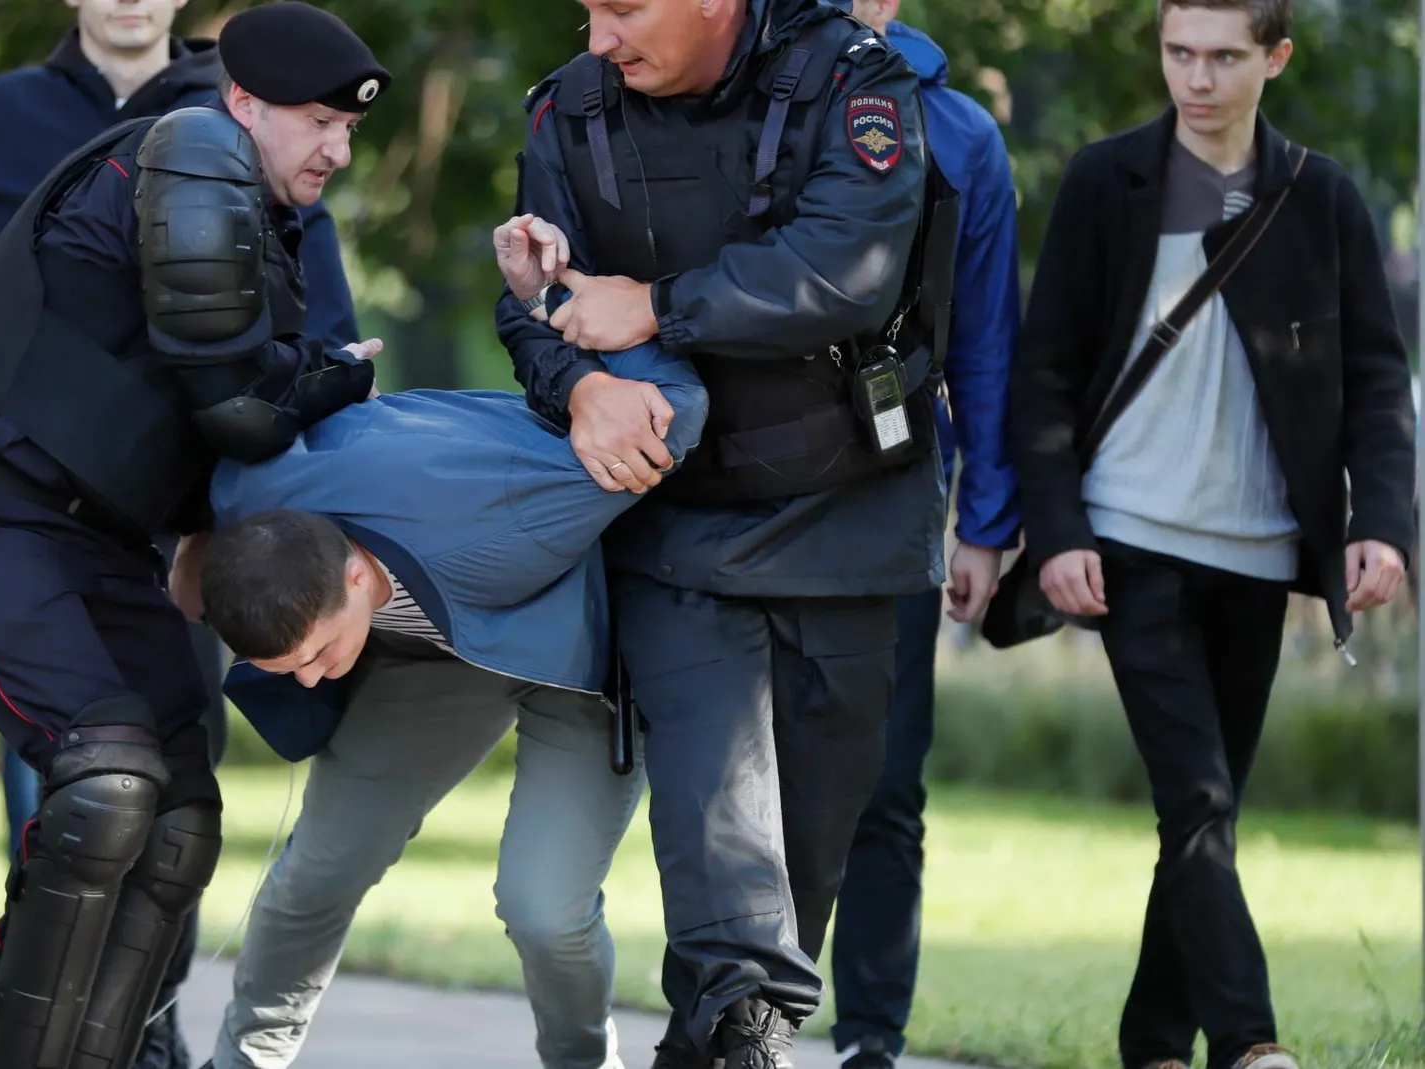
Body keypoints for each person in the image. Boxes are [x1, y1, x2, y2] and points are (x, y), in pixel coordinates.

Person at [0, 5, 388, 1067]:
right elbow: (245, 406)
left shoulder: (265, 209)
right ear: (245, 99)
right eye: (318, 124)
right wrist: (330, 374)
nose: (337, 151)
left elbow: (267, 394)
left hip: (102, 537)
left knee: (179, 812)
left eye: (349, 131)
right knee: (108, 773)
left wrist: (314, 377)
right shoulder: (196, 144)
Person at [501, 0, 957, 1064]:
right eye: (587, 10)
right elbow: (531, 309)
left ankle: (717, 1034)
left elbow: (847, 267)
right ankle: (741, 1023)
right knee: (717, 818)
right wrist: (575, 388)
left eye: (621, 9)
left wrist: (657, 305)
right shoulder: (568, 108)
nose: (598, 37)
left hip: (847, 511)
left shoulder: (854, 81)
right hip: (676, 526)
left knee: (805, 856)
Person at [1011, 3, 1415, 1069]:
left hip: (1255, 554)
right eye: (1177, 52)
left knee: (1205, 815)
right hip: (1127, 540)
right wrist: (1054, 529)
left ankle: (1151, 1044)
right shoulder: (1106, 182)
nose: (1195, 78)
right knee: (1193, 796)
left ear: (1274, 58)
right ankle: (1248, 1042)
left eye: (1223, 57)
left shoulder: (1318, 197)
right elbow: (1043, 367)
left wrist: (1379, 524)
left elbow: (1377, 381)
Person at [191, 230, 705, 1069]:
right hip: (438, 649)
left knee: (542, 908)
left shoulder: (507, 519)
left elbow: (678, 415)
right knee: (314, 873)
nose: (318, 679)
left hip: (578, 652)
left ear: (356, 576)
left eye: (318, 654)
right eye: (295, 672)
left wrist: (599, 343)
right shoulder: (250, 495)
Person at [822, 3, 1021, 1068]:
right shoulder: (707, 98)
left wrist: (985, 523)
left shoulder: (955, 134)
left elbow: (986, 341)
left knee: (885, 784)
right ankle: (730, 1021)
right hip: (731, 500)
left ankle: (869, 1042)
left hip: (892, 491)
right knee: (730, 791)